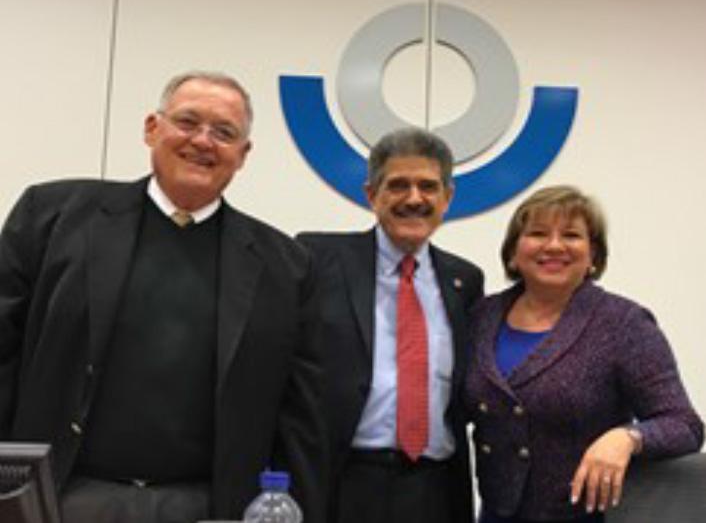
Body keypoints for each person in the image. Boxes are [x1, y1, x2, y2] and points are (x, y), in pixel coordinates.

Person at [0, 71, 326, 523]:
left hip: (206, 506)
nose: (203, 141)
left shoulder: (286, 266)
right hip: (62, 493)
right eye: (188, 122)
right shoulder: (52, 218)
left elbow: (299, 413)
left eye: (224, 132)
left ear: (243, 154)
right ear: (152, 128)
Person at [465, 185, 704, 523]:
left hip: (583, 516)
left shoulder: (624, 324)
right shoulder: (481, 318)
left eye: (572, 235)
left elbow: (684, 425)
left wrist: (628, 437)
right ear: (513, 252)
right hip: (495, 515)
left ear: (593, 255)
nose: (554, 246)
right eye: (537, 233)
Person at [298, 127, 484, 523]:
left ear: (447, 198)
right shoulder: (316, 260)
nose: (414, 199)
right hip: (344, 484)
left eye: (428, 187)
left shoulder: (465, 281)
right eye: (398, 185)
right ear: (371, 195)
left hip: (434, 489)